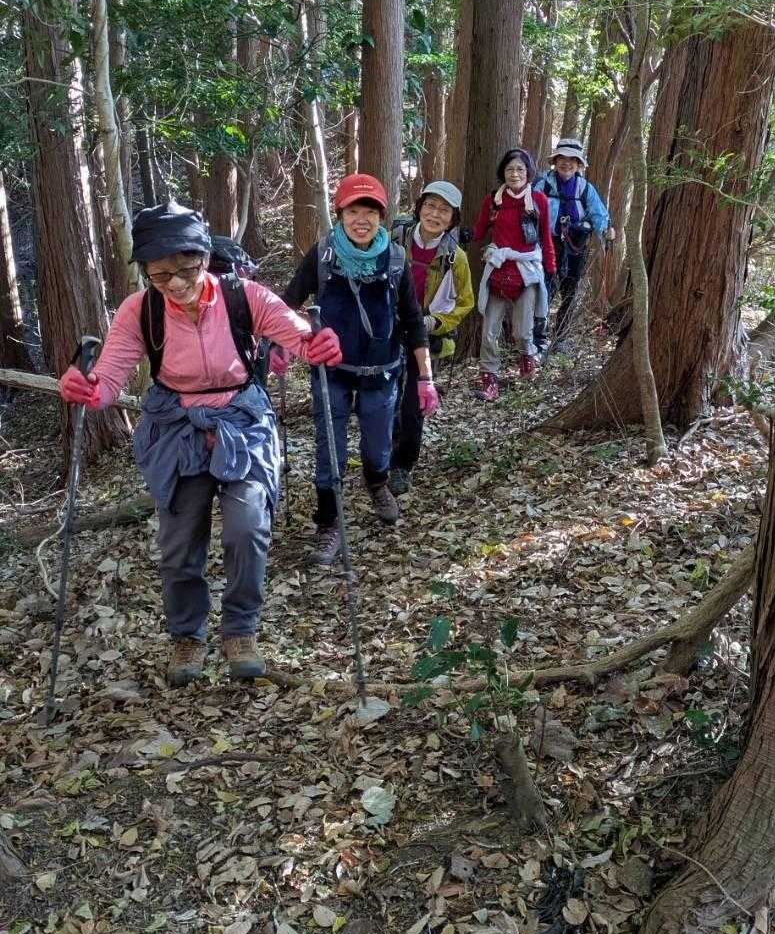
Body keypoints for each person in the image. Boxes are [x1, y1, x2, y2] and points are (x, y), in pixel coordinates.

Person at [57, 201, 342, 687]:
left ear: (205, 258)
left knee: (248, 528)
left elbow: (298, 334)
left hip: (241, 421)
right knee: (179, 543)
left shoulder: (243, 296)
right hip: (176, 428)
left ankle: (240, 630)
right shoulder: (141, 311)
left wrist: (318, 343)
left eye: (186, 269)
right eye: (160, 274)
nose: (175, 284)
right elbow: (107, 379)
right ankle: (187, 636)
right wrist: (85, 388)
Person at [281, 172, 437, 564]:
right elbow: (286, 304)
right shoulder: (323, 255)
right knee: (329, 451)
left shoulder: (395, 259)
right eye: (353, 211)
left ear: (382, 217)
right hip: (331, 372)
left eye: (370, 212)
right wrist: (288, 341)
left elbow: (413, 319)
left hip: (381, 372)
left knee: (377, 447)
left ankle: (377, 484)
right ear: (340, 214)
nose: (361, 220)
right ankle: (328, 522)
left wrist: (426, 378)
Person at [388, 179, 474, 495]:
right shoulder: (395, 240)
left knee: (413, 403)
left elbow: (465, 301)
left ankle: (402, 466)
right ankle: (383, 454)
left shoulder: (456, 257)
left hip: (422, 335)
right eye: (430, 206)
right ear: (419, 208)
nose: (435, 214)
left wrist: (434, 322)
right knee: (384, 397)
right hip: (388, 331)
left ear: (453, 219)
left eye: (444, 210)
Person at [471, 148, 556, 401]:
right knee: (489, 331)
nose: (515, 174)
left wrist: (550, 268)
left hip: (527, 271)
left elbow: (546, 237)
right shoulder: (493, 201)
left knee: (522, 331)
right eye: (510, 169)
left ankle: (527, 359)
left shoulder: (539, 200)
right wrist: (462, 235)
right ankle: (489, 378)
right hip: (498, 268)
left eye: (520, 169)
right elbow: (479, 230)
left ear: (528, 172)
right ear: (503, 173)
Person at [534, 137, 614, 351]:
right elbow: (528, 210)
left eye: (572, 160)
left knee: (570, 291)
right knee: (544, 288)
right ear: (555, 160)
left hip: (576, 247)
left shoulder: (585, 188)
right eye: (562, 158)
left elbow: (598, 214)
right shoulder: (542, 185)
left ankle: (561, 337)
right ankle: (538, 337)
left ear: (579, 164)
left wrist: (606, 230)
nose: (566, 163)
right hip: (547, 245)